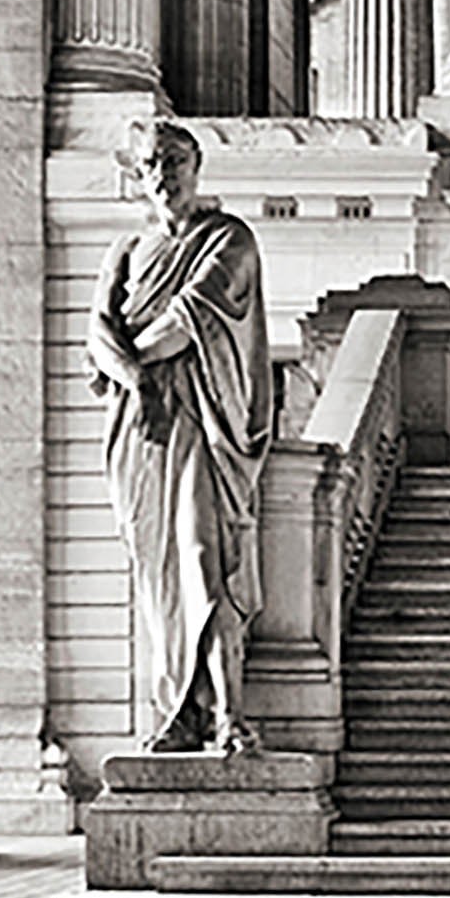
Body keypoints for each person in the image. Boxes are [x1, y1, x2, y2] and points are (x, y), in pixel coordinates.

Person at [87, 120, 273, 755]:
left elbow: (187, 316)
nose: (161, 173)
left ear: (196, 167)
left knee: (200, 562)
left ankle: (229, 717)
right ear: (136, 175)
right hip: (141, 432)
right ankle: (178, 713)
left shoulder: (229, 239)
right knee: (156, 580)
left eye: (172, 160)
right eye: (149, 163)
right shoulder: (125, 252)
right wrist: (135, 378)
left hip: (198, 418)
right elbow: (96, 334)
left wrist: (134, 366)